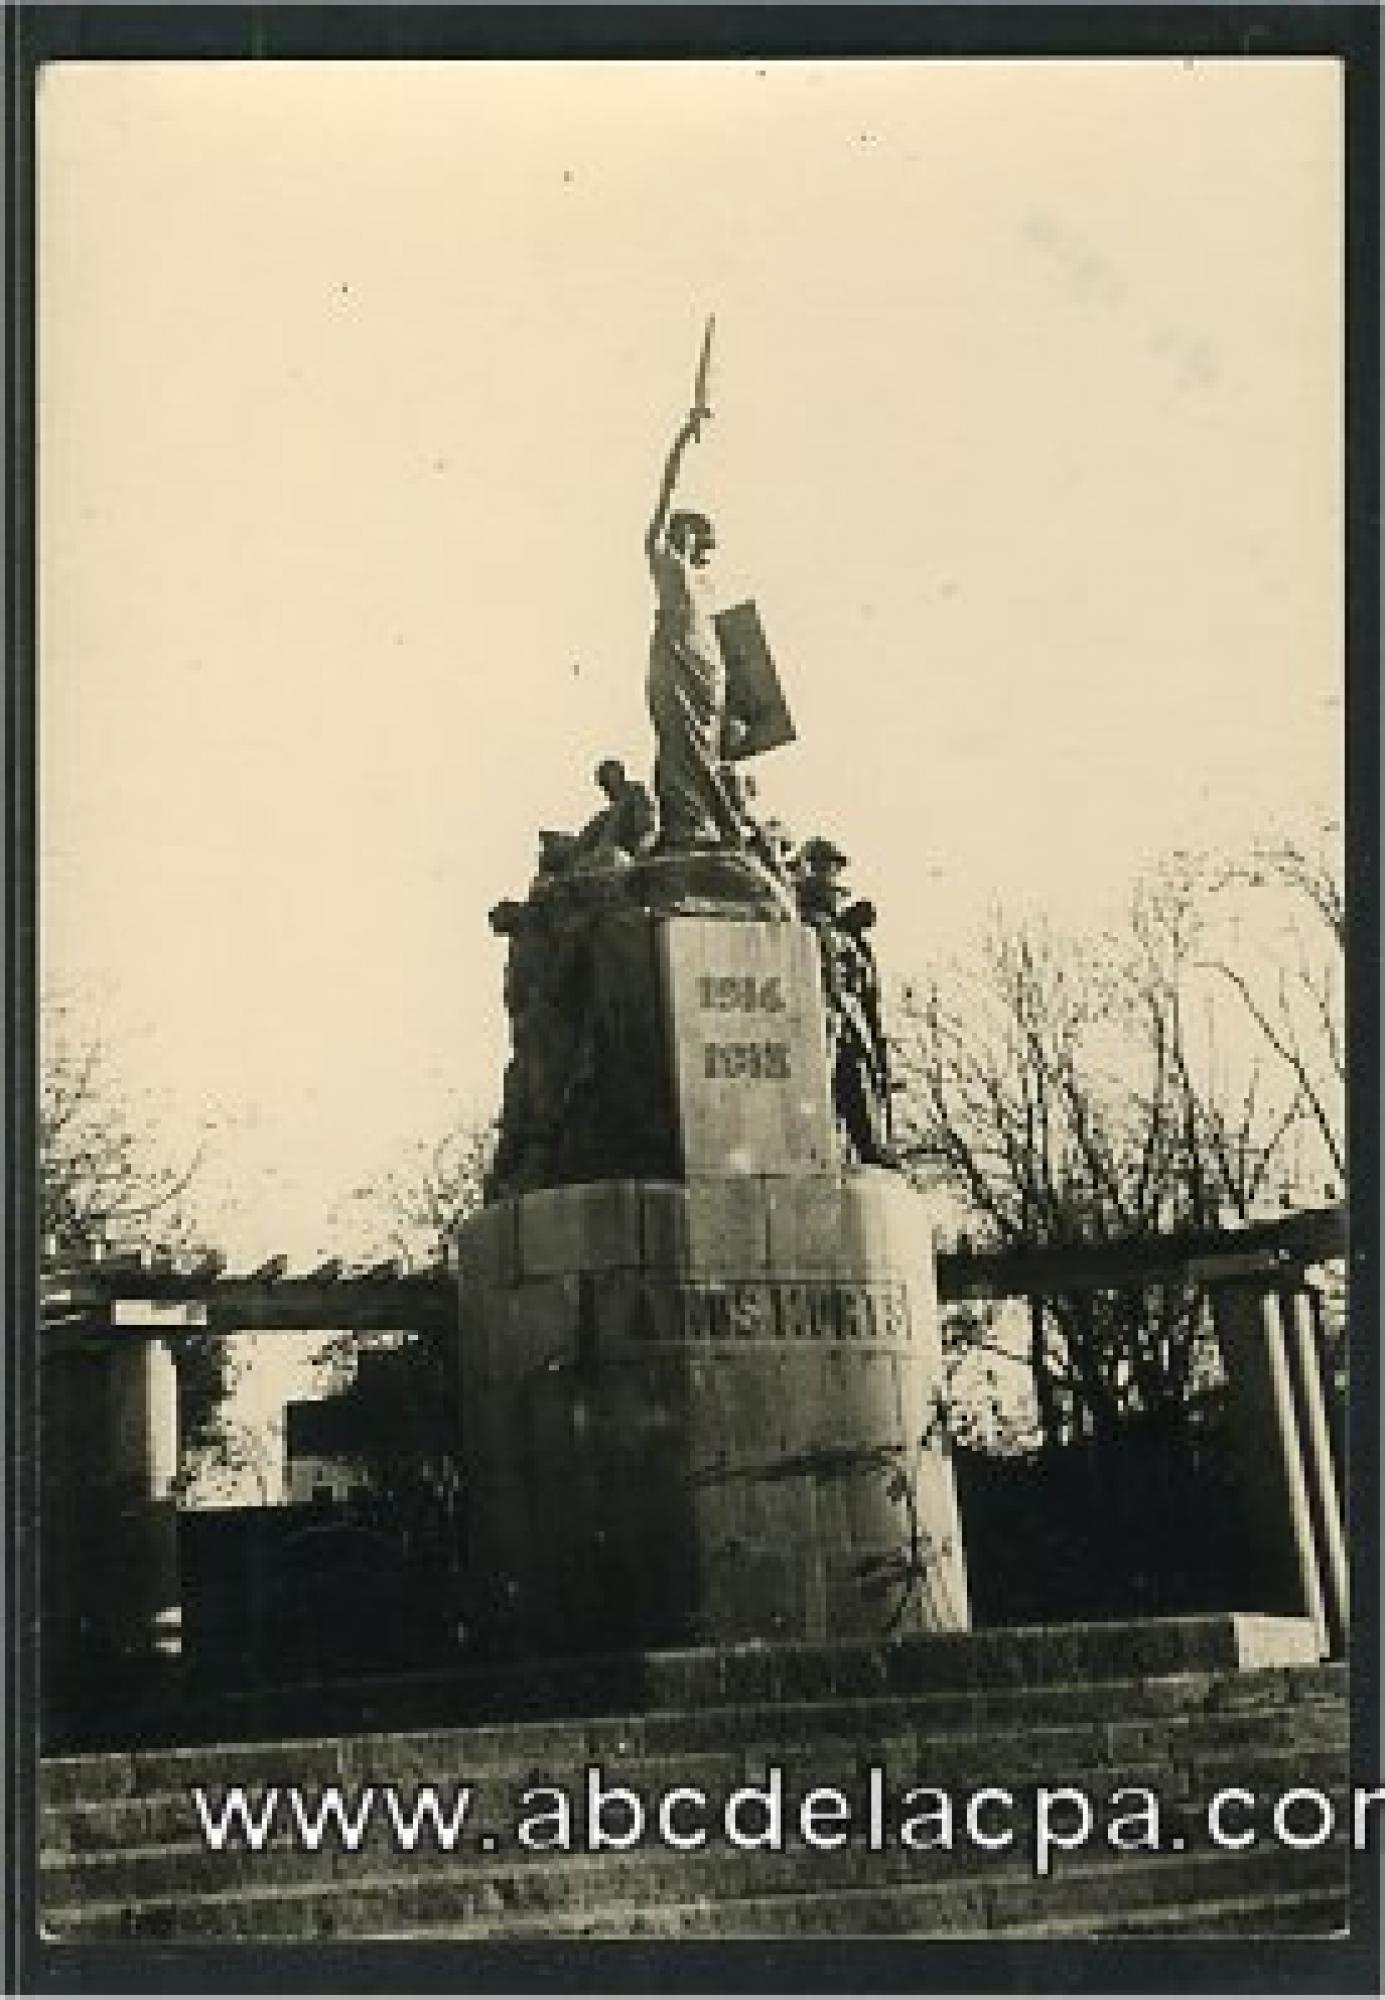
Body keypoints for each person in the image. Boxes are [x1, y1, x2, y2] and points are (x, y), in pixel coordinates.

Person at [644, 410, 743, 849]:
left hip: (709, 674)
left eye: (705, 547)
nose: (700, 551)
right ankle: (692, 829)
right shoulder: (667, 566)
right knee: (680, 748)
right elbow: (666, 493)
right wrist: (684, 438)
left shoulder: (705, 585)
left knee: (704, 746)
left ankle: (710, 825)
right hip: (677, 665)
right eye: (695, 539)